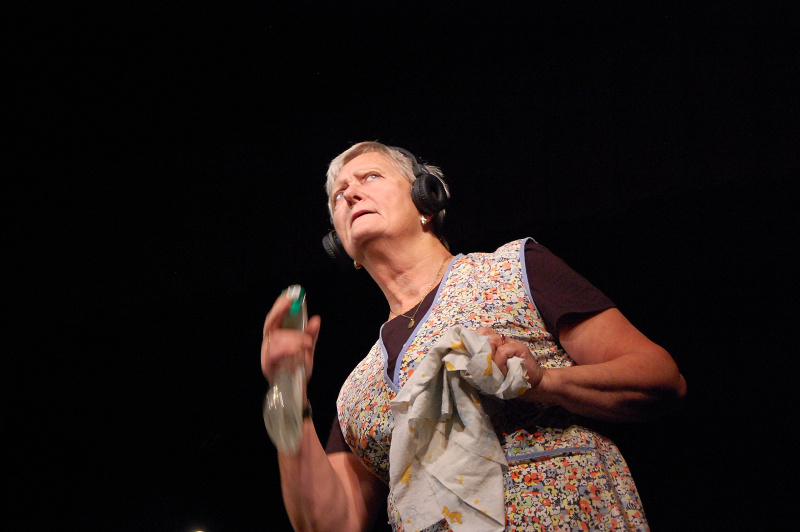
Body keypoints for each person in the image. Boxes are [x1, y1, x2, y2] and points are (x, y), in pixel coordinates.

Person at [260, 141, 687, 532]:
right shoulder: (357, 391)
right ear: (340, 245)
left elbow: (659, 377)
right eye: (339, 194)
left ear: (426, 200)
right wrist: (286, 395)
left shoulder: (513, 270)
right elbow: (329, 524)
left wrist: (544, 383)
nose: (351, 193)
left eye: (370, 177)